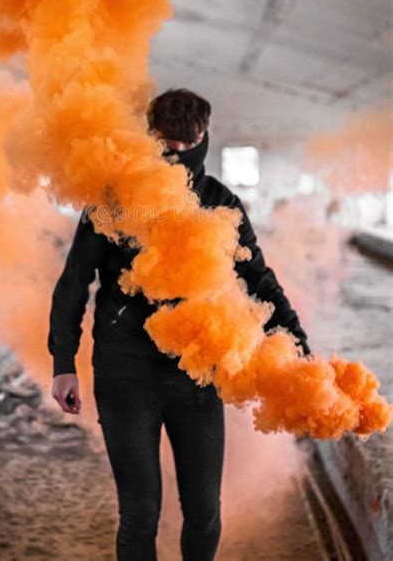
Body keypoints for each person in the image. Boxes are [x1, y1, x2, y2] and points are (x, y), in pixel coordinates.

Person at [48, 88, 310, 561]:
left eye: (191, 146)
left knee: (204, 509)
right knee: (141, 511)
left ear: (205, 137)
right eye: (169, 145)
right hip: (124, 374)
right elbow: (73, 284)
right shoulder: (113, 200)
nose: (180, 155)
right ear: (151, 138)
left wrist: (298, 345)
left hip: (197, 376)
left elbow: (258, 279)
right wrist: (63, 360)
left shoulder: (219, 203)